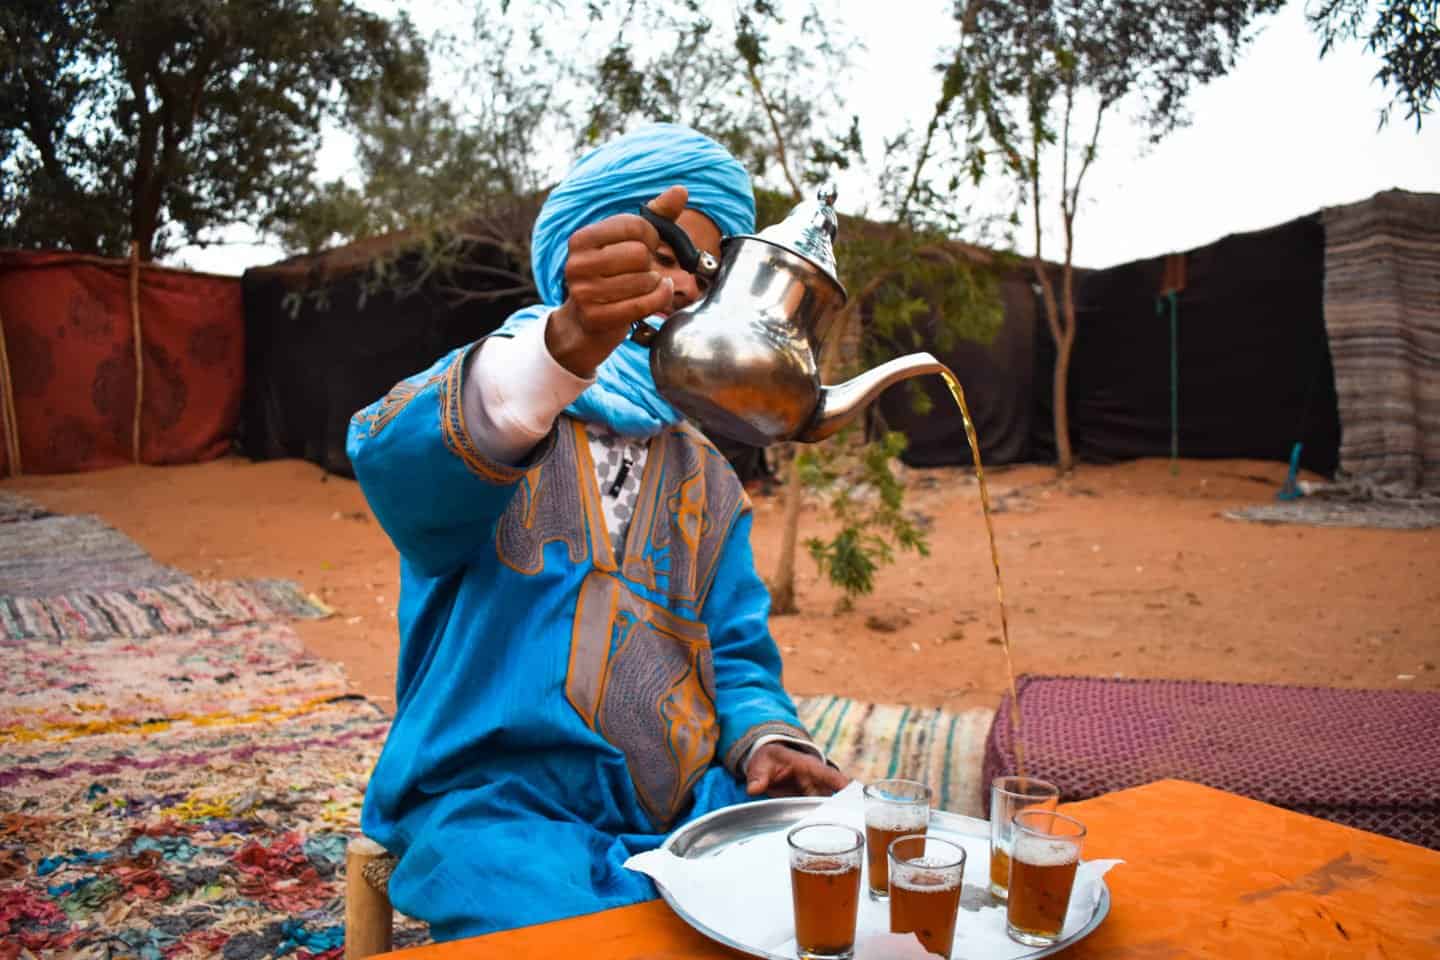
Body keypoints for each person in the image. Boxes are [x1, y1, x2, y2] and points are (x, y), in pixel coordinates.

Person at [347, 122, 848, 940]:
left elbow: (739, 656)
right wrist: (571, 342)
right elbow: (403, 478)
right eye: (661, 258)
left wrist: (764, 741)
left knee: (831, 882)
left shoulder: (709, 477)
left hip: (683, 806)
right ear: (585, 256)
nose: (684, 290)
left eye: (705, 273)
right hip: (494, 810)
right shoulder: (499, 393)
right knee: (577, 931)